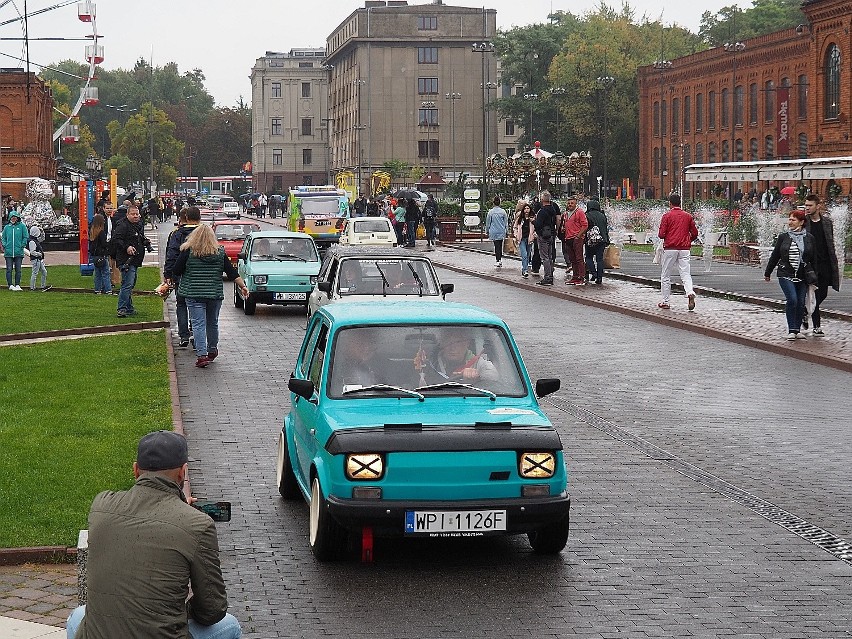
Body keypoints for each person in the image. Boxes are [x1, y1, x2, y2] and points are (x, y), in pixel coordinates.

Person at [65, 430, 242, 639]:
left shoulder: (101, 505)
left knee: (77, 616)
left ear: (135, 470)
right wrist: (178, 612)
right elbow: (213, 609)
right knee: (230, 625)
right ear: (182, 473)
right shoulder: (197, 525)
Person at [173, 224, 249, 368]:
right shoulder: (219, 252)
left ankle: (202, 355)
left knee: (198, 324)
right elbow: (231, 272)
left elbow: (176, 270)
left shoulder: (187, 251)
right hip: (214, 294)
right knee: (212, 322)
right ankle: (212, 349)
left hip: (193, 293)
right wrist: (243, 286)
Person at [764, 210, 816, 340]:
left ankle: (797, 329)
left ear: (801, 222)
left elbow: (813, 258)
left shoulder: (809, 238)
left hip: (803, 275)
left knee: (800, 302)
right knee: (792, 299)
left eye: (793, 220)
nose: (790, 222)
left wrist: (815, 276)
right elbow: (775, 255)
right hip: (785, 273)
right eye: (789, 219)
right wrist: (768, 272)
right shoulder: (784, 237)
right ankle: (791, 329)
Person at [164, 207, 202, 347]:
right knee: (197, 305)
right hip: (200, 275)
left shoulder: (177, 234)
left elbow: (171, 254)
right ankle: (196, 333)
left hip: (180, 274)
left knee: (181, 304)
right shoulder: (204, 233)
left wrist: (168, 273)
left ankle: (184, 335)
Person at [803, 193, 840, 336]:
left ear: (818, 206)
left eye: (810, 205)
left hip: (825, 263)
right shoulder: (804, 222)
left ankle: (806, 310)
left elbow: (830, 243)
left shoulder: (827, 222)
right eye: (806, 205)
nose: (807, 208)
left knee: (823, 293)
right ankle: (817, 326)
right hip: (811, 264)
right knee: (814, 293)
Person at [657, 193, 698, 310]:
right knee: (685, 273)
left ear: (670, 203)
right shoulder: (688, 216)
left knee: (666, 275)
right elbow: (695, 233)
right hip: (684, 249)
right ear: (680, 203)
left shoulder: (667, 216)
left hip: (670, 248)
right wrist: (688, 240)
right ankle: (690, 291)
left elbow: (661, 234)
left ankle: (665, 301)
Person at [422, 326, 499, 384]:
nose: (452, 348)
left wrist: (478, 377)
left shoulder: (479, 364)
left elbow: (494, 380)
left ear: (467, 343)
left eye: (458, 342)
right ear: (441, 343)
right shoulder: (430, 363)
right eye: (449, 342)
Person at [113, 206, 151, 318]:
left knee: (130, 284)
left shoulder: (137, 226)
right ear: (127, 215)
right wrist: (127, 247)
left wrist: (145, 242)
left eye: (137, 214)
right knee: (127, 284)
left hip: (135, 260)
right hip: (126, 261)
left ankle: (128, 308)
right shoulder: (123, 225)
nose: (136, 216)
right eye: (133, 214)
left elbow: (137, 238)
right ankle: (122, 308)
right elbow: (116, 239)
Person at [330, 328, 385, 394]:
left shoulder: (379, 368)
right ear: (348, 344)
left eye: (371, 343)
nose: (367, 348)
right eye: (361, 343)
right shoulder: (335, 367)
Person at [559, 195, 588, 285]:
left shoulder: (580, 212)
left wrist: (578, 236)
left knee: (579, 258)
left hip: (577, 238)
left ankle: (582, 277)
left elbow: (585, 225)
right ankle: (575, 276)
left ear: (576, 204)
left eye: (572, 203)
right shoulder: (566, 214)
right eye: (569, 203)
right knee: (572, 259)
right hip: (568, 238)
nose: (570, 204)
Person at [533, 190, 559, 286]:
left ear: (542, 199)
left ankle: (548, 277)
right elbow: (558, 219)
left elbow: (538, 224)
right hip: (551, 234)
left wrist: (533, 221)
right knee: (550, 256)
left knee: (545, 257)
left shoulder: (542, 211)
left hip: (543, 235)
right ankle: (550, 275)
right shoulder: (553, 209)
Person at [584, 196, 610, 285]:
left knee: (588, 257)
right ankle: (599, 278)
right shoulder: (602, 215)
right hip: (602, 240)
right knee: (599, 259)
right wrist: (607, 240)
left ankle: (593, 273)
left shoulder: (586, 215)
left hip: (590, 240)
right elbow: (605, 229)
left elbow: (584, 228)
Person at [2, 211, 29, 291]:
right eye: (12, 217)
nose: (14, 218)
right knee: (9, 269)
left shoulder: (22, 226)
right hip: (9, 253)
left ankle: (17, 285)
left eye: (15, 217)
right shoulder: (7, 227)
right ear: (10, 218)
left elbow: (25, 236)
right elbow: (3, 238)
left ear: (17, 218)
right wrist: (5, 245)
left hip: (18, 252)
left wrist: (22, 245)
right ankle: (10, 285)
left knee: (18, 270)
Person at [89, 214, 112, 294]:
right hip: (102, 255)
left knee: (98, 274)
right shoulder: (101, 232)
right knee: (106, 273)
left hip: (95, 256)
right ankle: (108, 289)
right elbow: (104, 244)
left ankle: (97, 290)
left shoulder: (92, 231)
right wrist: (109, 243)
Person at [485, 195, 508, 268]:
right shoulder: (503, 212)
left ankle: (498, 260)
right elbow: (506, 223)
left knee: (496, 246)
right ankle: (499, 259)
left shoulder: (490, 212)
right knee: (500, 245)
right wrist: (506, 231)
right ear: (500, 203)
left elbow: (488, 223)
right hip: (501, 231)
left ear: (493, 203)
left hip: (493, 231)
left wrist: (487, 231)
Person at [514, 202, 536, 278]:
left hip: (529, 239)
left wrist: (534, 235)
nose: (526, 210)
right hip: (521, 238)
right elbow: (515, 227)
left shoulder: (532, 219)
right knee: (524, 255)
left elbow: (536, 227)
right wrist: (516, 235)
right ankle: (525, 270)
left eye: (528, 208)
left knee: (528, 254)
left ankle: (525, 268)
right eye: (525, 209)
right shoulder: (520, 218)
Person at [27, 225, 51, 291]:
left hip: (38, 259)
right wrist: (39, 254)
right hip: (36, 259)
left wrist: (42, 231)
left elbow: (42, 238)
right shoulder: (32, 241)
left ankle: (43, 286)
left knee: (44, 272)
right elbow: (32, 252)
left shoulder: (35, 239)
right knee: (35, 273)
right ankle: (32, 287)